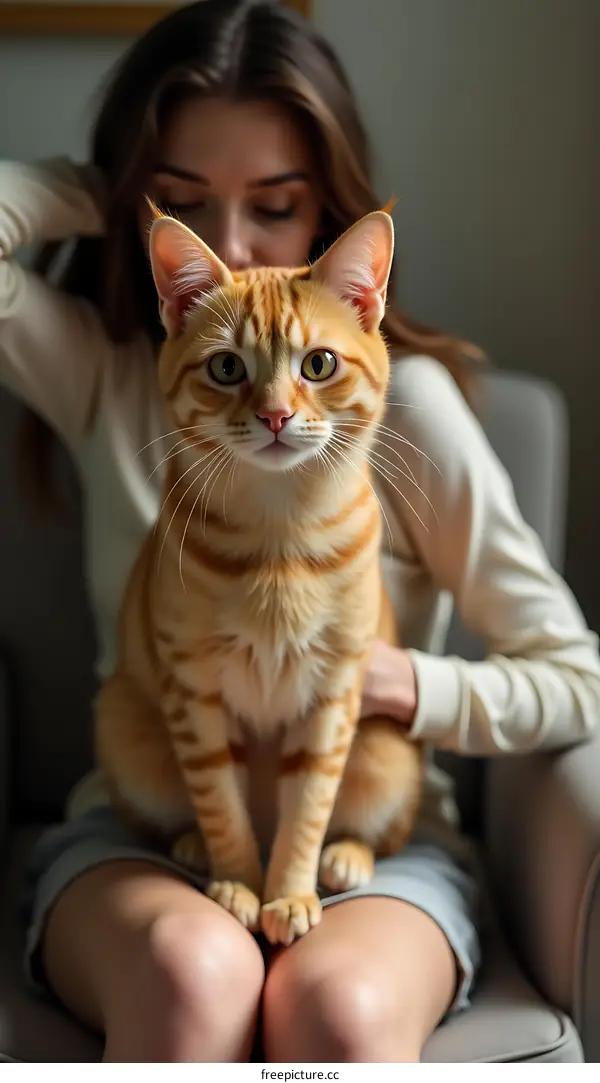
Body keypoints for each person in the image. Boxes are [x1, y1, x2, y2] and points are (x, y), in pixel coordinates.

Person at [1, 0, 599, 1064]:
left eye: (273, 206)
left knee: (341, 1010)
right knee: (189, 976)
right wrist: (106, 190)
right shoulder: (121, 372)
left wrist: (402, 684)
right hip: (149, 819)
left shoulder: (400, 410)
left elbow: (581, 679)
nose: (229, 245)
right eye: (188, 204)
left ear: (329, 208)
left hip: (369, 833)